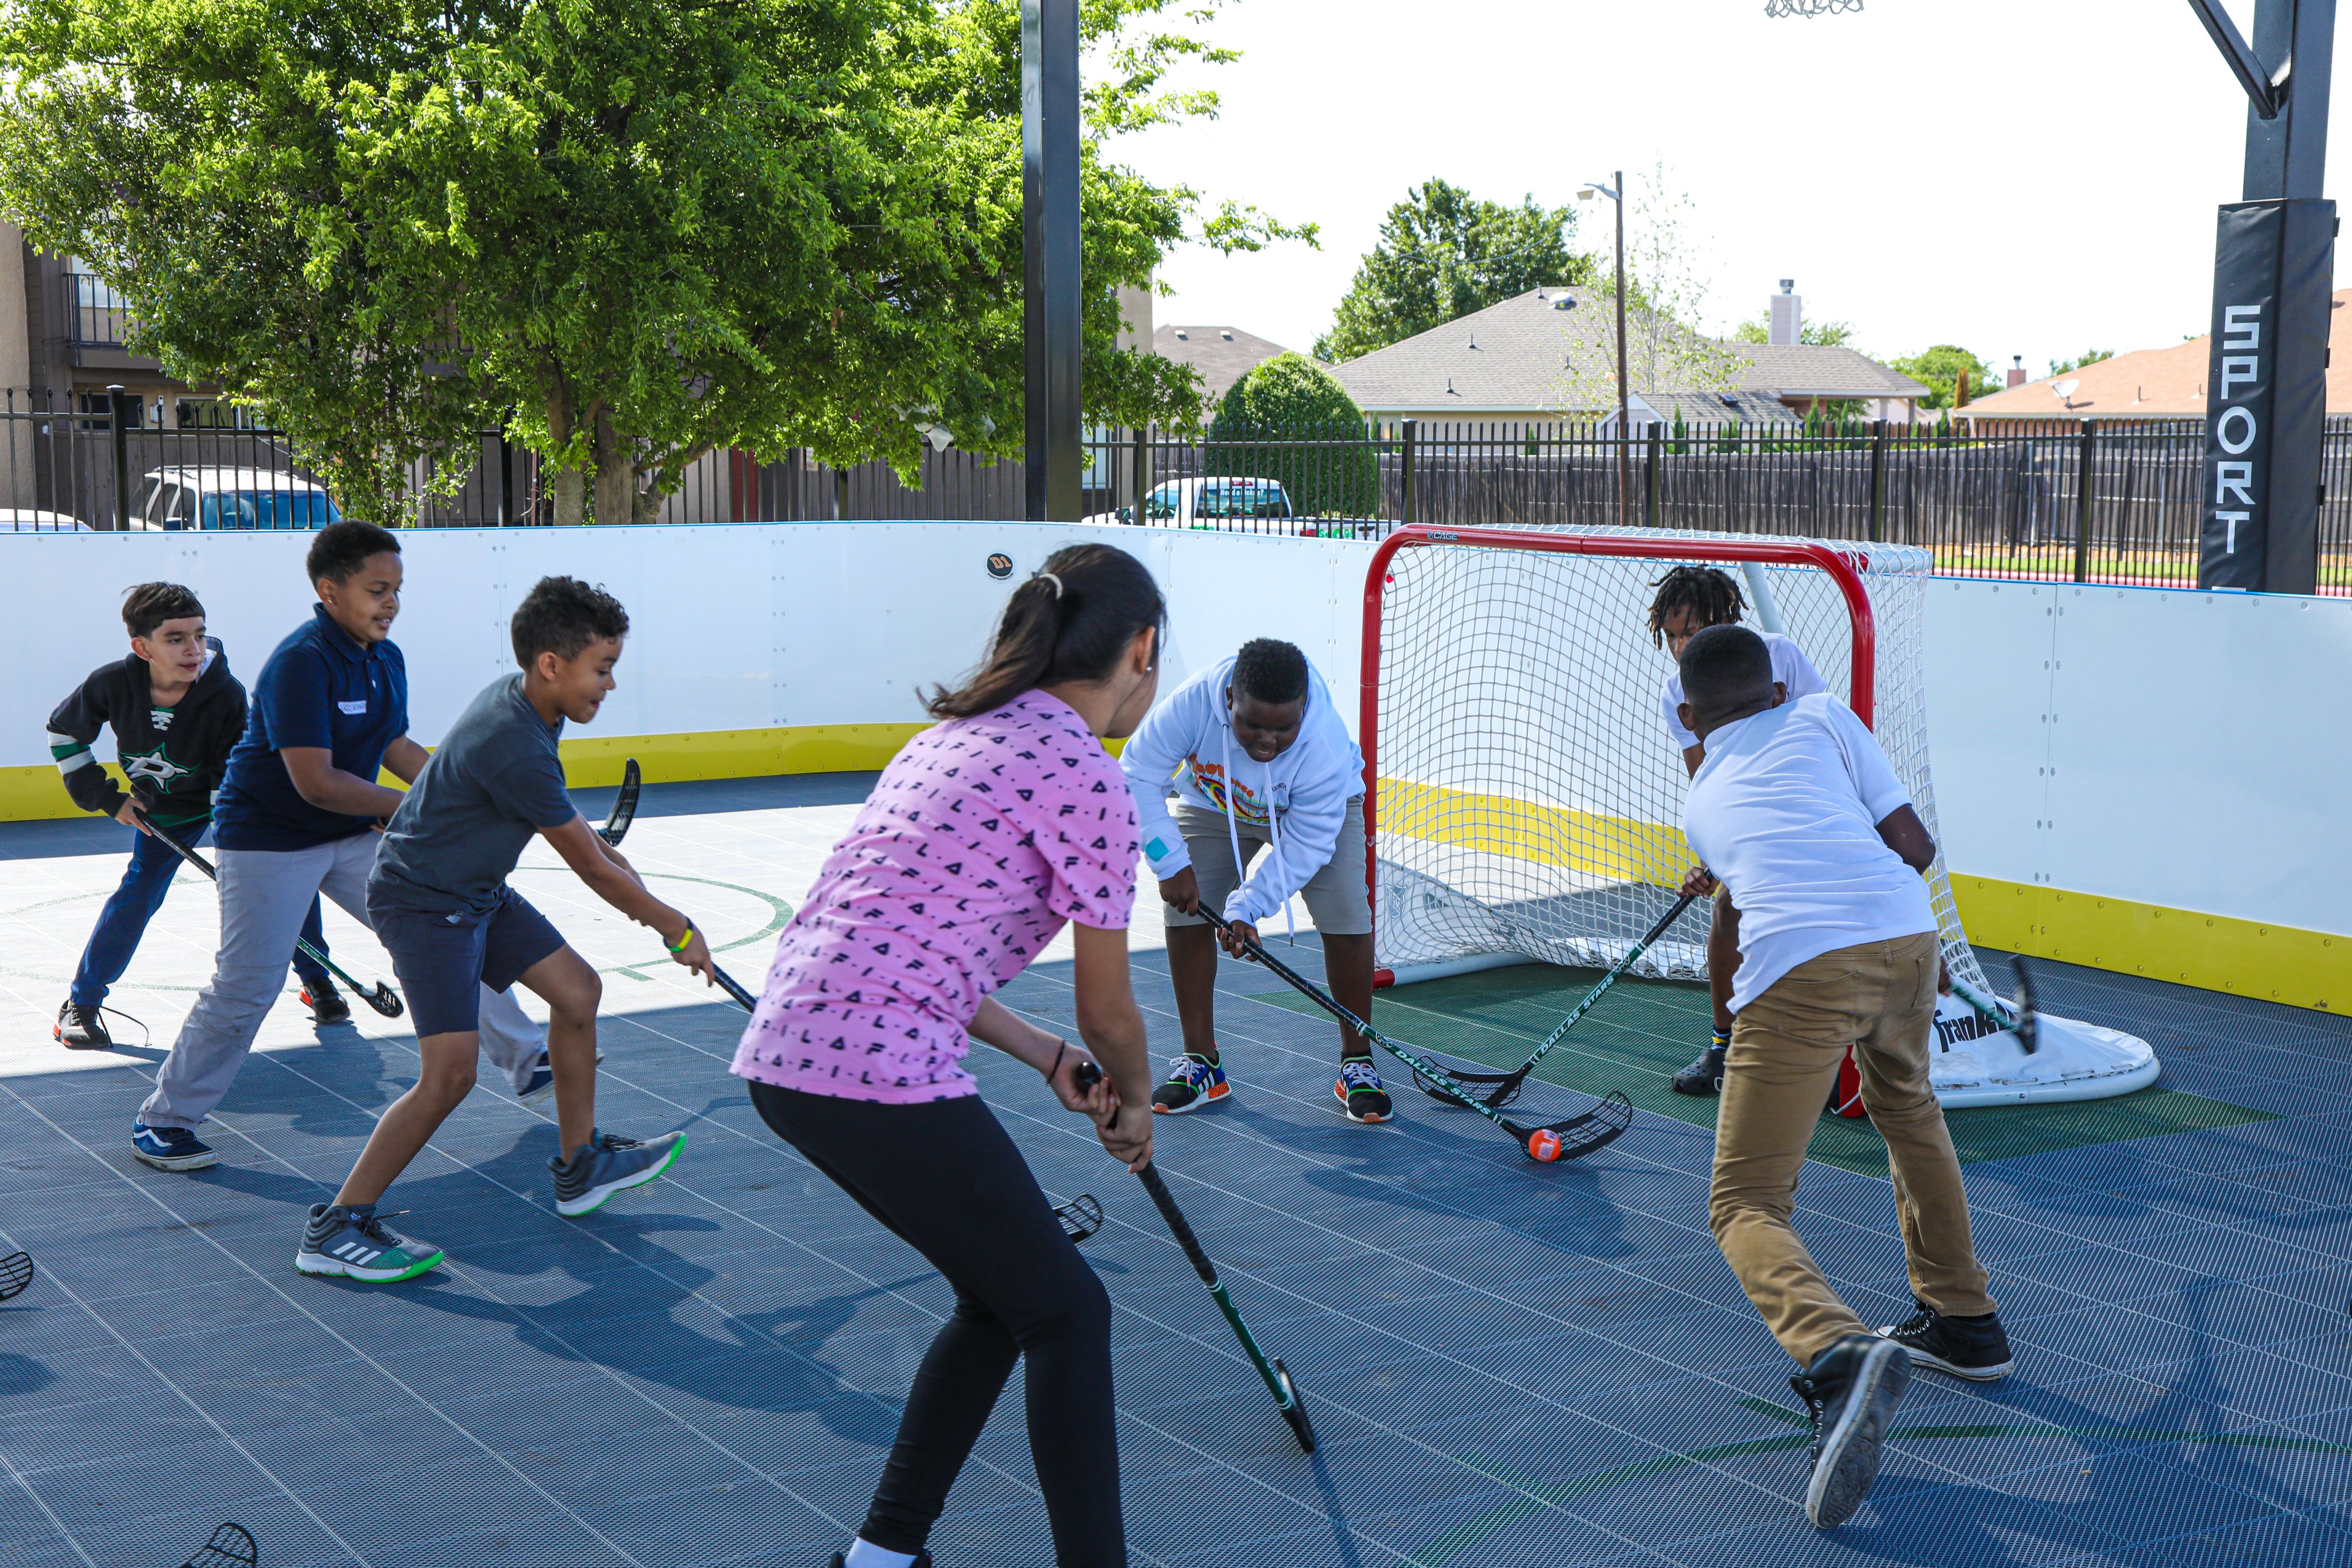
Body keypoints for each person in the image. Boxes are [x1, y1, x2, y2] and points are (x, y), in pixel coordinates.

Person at [733, 542, 1158, 1568]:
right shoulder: (1088, 780)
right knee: (1066, 1309)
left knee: (1005, 1298)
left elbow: (905, 945)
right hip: (874, 1068)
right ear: (1142, 650)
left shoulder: (951, 739)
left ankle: (883, 1556)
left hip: (788, 1052)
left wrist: (1041, 1052)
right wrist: (1134, 1097)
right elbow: (1111, 1010)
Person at [1675, 625, 2010, 1530]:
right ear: (1778, 688)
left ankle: (1834, 1351)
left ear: (1688, 718)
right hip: (1904, 935)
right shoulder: (1825, 714)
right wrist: (1894, 935)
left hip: (1802, 968)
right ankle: (1964, 1319)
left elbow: (1758, 893)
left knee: (1743, 1202)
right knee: (1910, 1111)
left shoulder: (1700, 795)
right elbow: (1914, 843)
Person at [297, 576, 710, 1281]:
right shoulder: (514, 740)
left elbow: (586, 839)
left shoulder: (524, 703)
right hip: (424, 904)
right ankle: (335, 1225)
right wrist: (675, 926)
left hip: (475, 891)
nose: (609, 685)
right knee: (450, 1074)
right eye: (602, 669)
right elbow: (585, 862)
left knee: (577, 991)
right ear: (551, 664)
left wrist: (627, 873)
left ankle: (579, 1165)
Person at [131, 521, 550, 1174]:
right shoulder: (299, 662)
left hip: (347, 835)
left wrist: (469, 786)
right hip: (267, 840)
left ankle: (527, 1057)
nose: (391, 603)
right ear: (330, 591)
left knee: (447, 924)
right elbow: (318, 783)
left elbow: (394, 747)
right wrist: (427, 809)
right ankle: (164, 1118)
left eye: (397, 590)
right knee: (248, 984)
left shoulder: (386, 658)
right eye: (377, 589)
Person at [48, 582, 346, 1049]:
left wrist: (237, 852)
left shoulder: (226, 694)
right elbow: (64, 733)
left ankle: (317, 978)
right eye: (176, 639)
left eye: (200, 635)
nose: (193, 649)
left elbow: (232, 776)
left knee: (283, 880)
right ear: (141, 647)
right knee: (139, 891)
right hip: (163, 809)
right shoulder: (111, 683)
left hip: (240, 798)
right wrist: (109, 799)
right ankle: (80, 1003)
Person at [1119, 637, 1388, 1123]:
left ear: (1304, 708)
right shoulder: (1193, 702)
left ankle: (1357, 1061)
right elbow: (1138, 773)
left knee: (1347, 913)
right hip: (1215, 799)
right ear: (1228, 701)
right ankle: (1203, 1062)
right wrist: (1167, 860)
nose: (1267, 740)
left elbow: (1306, 846)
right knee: (1183, 908)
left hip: (1314, 813)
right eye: (1252, 724)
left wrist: (1247, 907)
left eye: (1284, 728)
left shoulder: (1323, 744)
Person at [1646, 566, 1828, 1099]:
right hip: (1752, 820)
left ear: (1725, 621)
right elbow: (1708, 781)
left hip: (1808, 804)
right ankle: (1724, 1044)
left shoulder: (1781, 656)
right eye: (1674, 636)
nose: (1682, 647)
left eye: (1693, 632)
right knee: (1728, 913)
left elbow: (1819, 730)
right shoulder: (1678, 693)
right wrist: (1710, 857)